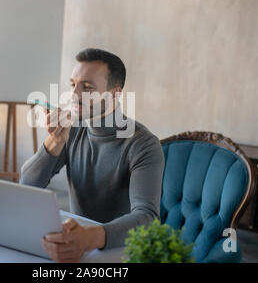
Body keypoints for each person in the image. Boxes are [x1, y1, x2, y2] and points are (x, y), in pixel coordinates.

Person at [20, 48, 164, 263]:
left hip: (121, 253)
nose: (74, 95)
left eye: (87, 87)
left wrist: (88, 238)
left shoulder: (143, 144)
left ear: (114, 94)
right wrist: (55, 142)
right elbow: (27, 185)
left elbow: (146, 218)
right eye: (72, 84)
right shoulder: (74, 128)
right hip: (76, 246)